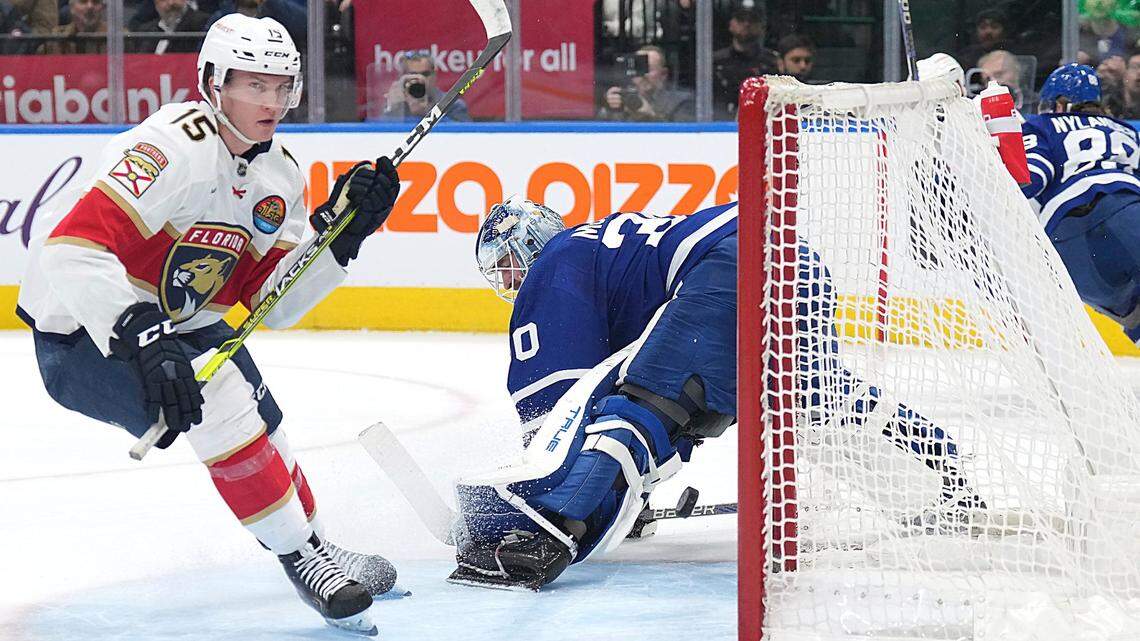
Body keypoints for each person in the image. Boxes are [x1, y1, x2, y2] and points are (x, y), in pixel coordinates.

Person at [16, 13, 401, 635]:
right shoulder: (170, 148)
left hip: (182, 320)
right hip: (82, 336)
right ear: (213, 83)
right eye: (254, 85)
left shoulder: (281, 174)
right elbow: (70, 249)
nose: (271, 102)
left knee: (264, 421)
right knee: (220, 397)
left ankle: (317, 546)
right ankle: (302, 559)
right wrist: (140, 332)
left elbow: (268, 301)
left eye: (282, 87)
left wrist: (339, 235)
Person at [448, 197, 983, 591]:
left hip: (729, 265)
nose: (509, 280)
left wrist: (550, 487)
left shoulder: (555, 264)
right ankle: (944, 475)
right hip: (791, 257)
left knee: (646, 405)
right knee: (817, 396)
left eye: (505, 265)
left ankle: (549, 532)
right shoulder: (606, 254)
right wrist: (625, 492)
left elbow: (557, 404)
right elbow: (678, 403)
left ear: (524, 248)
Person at [1012, 63, 1140, 345]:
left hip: (1066, 238)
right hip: (1127, 213)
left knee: (1130, 312)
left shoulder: (1039, 125)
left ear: (1061, 103)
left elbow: (1032, 179)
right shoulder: (1126, 132)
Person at [598, 44, 695, 122]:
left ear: (663, 74)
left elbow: (684, 138)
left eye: (648, 69)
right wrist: (609, 109)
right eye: (639, 69)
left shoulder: (681, 101)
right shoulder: (623, 98)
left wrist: (652, 116)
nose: (643, 75)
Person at [712, 7, 778, 119]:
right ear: (731, 24)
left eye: (753, 20)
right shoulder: (715, 61)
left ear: (762, 27)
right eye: (741, 19)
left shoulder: (772, 62)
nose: (746, 24)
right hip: (721, 119)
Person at [379, 49, 470, 122]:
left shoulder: (451, 104)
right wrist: (392, 109)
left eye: (425, 74)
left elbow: (464, 135)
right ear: (403, 77)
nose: (420, 79)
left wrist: (427, 114)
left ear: (434, 75)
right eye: (413, 74)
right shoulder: (396, 102)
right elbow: (377, 134)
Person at [131, 0, 210, 54]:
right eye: (164, 0)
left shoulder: (201, 23)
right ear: (156, 4)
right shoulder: (145, 31)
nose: (171, 3)